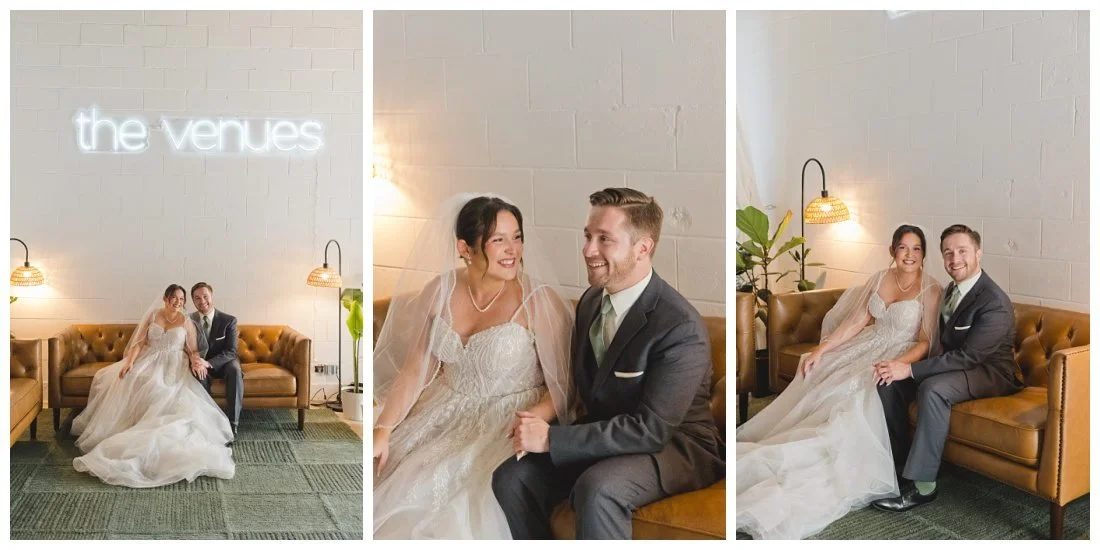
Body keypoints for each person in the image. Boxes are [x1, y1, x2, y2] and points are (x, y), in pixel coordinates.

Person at [492, 188, 725, 540]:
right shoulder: (590, 302)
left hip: (675, 448)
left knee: (598, 488)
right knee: (511, 477)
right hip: (606, 438)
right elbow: (581, 384)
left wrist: (554, 440)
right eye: (588, 236)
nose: (588, 250)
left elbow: (651, 430)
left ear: (643, 247)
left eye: (605, 239)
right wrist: (542, 416)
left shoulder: (680, 327)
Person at [372, 194, 574, 539]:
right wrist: (384, 429)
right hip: (442, 411)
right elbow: (414, 370)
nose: (513, 249)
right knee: (396, 478)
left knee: (461, 503)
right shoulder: (439, 291)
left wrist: (535, 417)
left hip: (506, 420)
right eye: (499, 240)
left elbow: (567, 386)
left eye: (517, 237)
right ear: (465, 248)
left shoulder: (538, 300)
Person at [736, 225, 943, 539]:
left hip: (900, 353)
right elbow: (857, 321)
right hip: (868, 344)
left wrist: (899, 365)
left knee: (855, 397)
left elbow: (925, 343)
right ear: (892, 251)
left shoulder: (931, 289)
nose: (909, 255)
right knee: (820, 368)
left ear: (924, 254)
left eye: (916, 249)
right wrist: (822, 348)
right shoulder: (880, 278)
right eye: (903, 248)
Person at [871, 224, 1024, 512]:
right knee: (888, 381)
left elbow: (968, 357)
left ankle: (923, 486)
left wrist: (913, 370)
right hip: (957, 366)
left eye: (962, 251)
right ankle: (901, 467)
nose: (955, 259)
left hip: (991, 373)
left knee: (933, 389)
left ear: (978, 254)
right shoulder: (952, 289)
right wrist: (901, 366)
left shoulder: (994, 302)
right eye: (948, 253)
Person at [71, 284, 235, 488]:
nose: (178, 302)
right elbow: (139, 343)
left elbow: (193, 350)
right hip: (149, 359)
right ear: (166, 298)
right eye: (175, 298)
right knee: (132, 379)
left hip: (175, 364)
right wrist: (130, 362)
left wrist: (196, 361)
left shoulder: (187, 322)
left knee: (163, 390)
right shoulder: (153, 315)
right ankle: (132, 425)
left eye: (182, 300)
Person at [189, 282, 243, 439]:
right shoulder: (189, 320)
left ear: (212, 297)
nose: (202, 301)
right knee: (196, 373)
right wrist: (197, 361)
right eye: (197, 298)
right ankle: (207, 422)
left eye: (205, 296)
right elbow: (186, 346)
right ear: (193, 301)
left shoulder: (229, 320)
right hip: (200, 362)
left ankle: (233, 423)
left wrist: (209, 363)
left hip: (225, 362)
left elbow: (231, 351)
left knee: (235, 370)